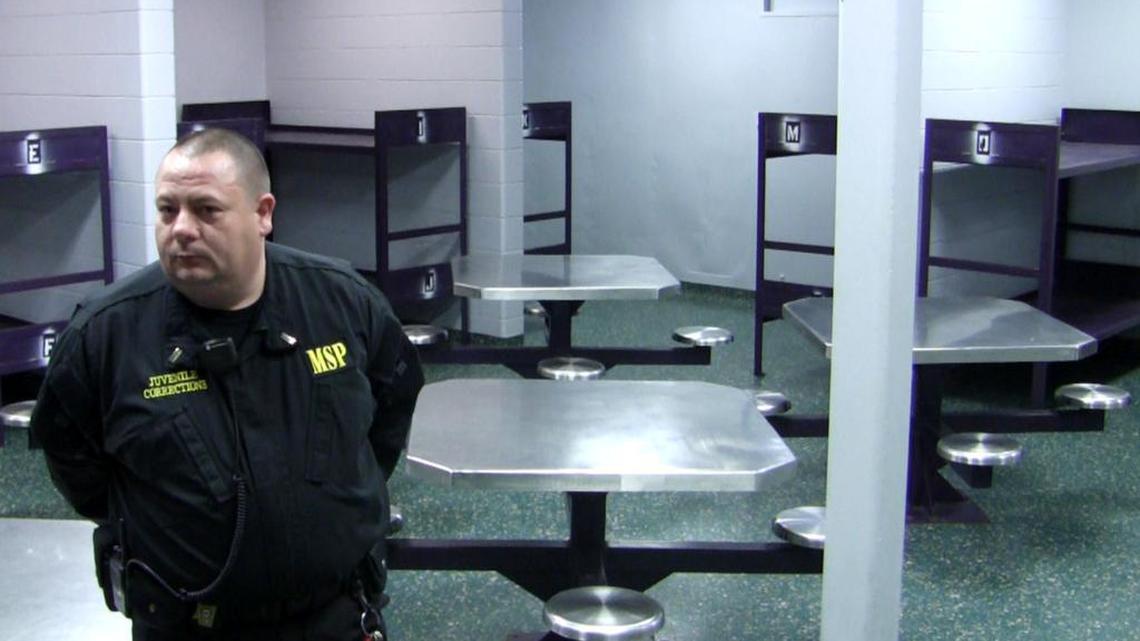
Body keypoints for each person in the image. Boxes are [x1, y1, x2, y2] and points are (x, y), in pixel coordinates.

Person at [31, 127, 424, 640]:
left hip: (334, 616)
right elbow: (74, 462)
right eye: (167, 210)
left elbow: (390, 412)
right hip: (186, 625)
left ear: (263, 214)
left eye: (206, 210)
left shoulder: (342, 303)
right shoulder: (105, 335)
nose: (181, 230)